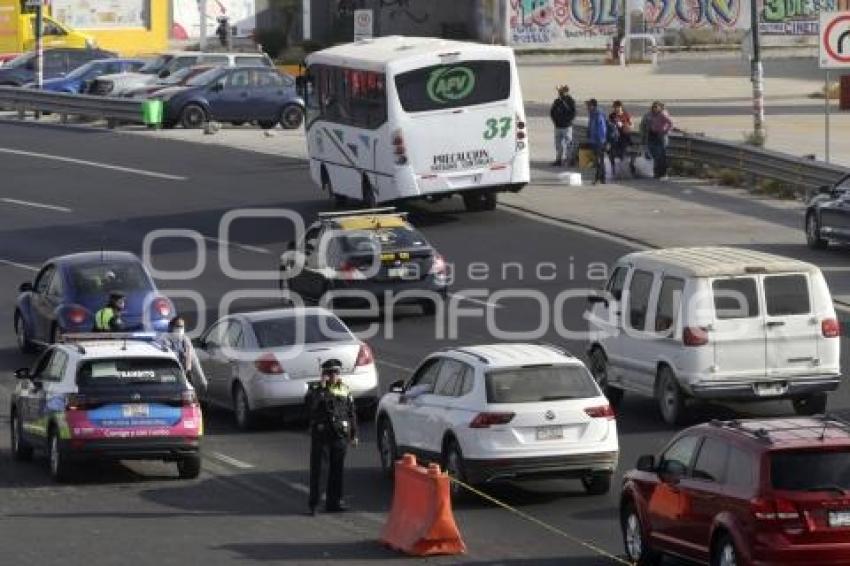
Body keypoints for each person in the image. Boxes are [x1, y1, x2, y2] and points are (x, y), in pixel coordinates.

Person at [306, 359, 358, 516]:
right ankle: (314, 504)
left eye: (336, 372)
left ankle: (334, 502)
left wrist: (354, 434)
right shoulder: (316, 389)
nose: (333, 375)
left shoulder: (344, 389)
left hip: (339, 435)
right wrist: (322, 388)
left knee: (337, 471)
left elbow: (351, 413)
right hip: (322, 437)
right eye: (329, 373)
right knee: (320, 471)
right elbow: (311, 406)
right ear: (324, 374)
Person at [159, 316, 207, 390]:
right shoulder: (164, 339)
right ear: (171, 327)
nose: (180, 329)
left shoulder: (185, 340)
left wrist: (202, 380)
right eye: (178, 326)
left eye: (182, 327)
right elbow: (166, 355)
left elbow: (194, 360)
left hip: (184, 377)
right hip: (169, 377)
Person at [641, 101, 673, 179]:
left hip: (660, 136)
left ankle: (662, 173)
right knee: (654, 154)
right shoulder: (650, 114)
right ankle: (657, 173)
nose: (654, 108)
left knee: (660, 155)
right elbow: (644, 123)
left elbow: (671, 123)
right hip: (652, 135)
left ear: (660, 107)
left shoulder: (662, 114)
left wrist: (665, 131)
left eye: (656, 107)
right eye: (653, 107)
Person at [549, 85, 576, 167]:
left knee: (568, 143)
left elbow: (573, 113)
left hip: (567, 127)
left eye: (562, 91)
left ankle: (569, 159)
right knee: (558, 144)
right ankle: (558, 160)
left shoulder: (570, 101)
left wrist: (568, 121)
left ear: (566, 92)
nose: (561, 93)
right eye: (560, 91)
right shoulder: (557, 101)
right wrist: (555, 122)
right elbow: (552, 112)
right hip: (558, 126)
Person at [608, 100, 634, 177]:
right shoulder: (612, 115)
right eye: (615, 107)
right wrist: (613, 125)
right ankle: (614, 170)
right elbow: (609, 125)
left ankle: (623, 171)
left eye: (618, 107)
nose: (616, 109)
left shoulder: (626, 115)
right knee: (612, 154)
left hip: (624, 137)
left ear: (621, 107)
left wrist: (624, 125)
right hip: (615, 138)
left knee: (622, 154)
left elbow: (631, 126)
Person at [586, 98, 608, 185]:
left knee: (598, 160)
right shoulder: (592, 114)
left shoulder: (598, 114)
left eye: (588, 105)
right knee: (600, 160)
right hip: (595, 140)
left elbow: (602, 129)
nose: (587, 107)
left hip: (598, 141)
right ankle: (602, 178)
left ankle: (597, 178)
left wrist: (600, 140)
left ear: (593, 105)